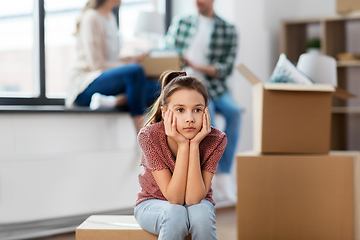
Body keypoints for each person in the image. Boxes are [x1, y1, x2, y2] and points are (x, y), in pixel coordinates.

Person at [164, 0, 241, 204]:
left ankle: (223, 172)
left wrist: (197, 65)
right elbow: (167, 53)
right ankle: (207, 175)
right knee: (208, 116)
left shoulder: (227, 29)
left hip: (215, 85)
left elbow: (225, 67)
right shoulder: (182, 23)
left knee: (234, 112)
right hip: (189, 85)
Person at [134, 71, 227, 240]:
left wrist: (195, 144)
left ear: (205, 112)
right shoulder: (149, 136)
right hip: (153, 203)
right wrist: (184, 145)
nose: (190, 118)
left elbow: (194, 199)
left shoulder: (216, 139)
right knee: (175, 213)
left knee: (201, 214)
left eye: (197, 110)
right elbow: (175, 198)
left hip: (198, 201)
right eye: (180, 110)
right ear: (165, 113)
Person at [66, 0, 160, 133]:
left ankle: (112, 101)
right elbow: (96, 64)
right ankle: (142, 139)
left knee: (159, 87)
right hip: (86, 83)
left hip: (104, 79)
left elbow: (111, 58)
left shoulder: (110, 18)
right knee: (135, 72)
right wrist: (129, 65)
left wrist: (132, 58)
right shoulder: (91, 17)